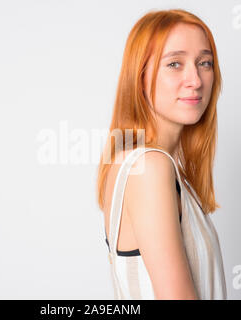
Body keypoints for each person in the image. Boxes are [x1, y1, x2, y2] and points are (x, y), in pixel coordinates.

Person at [96, 9, 227, 300]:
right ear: (139, 76)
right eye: (175, 64)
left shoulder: (141, 164)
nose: (195, 80)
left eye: (204, 63)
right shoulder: (149, 167)